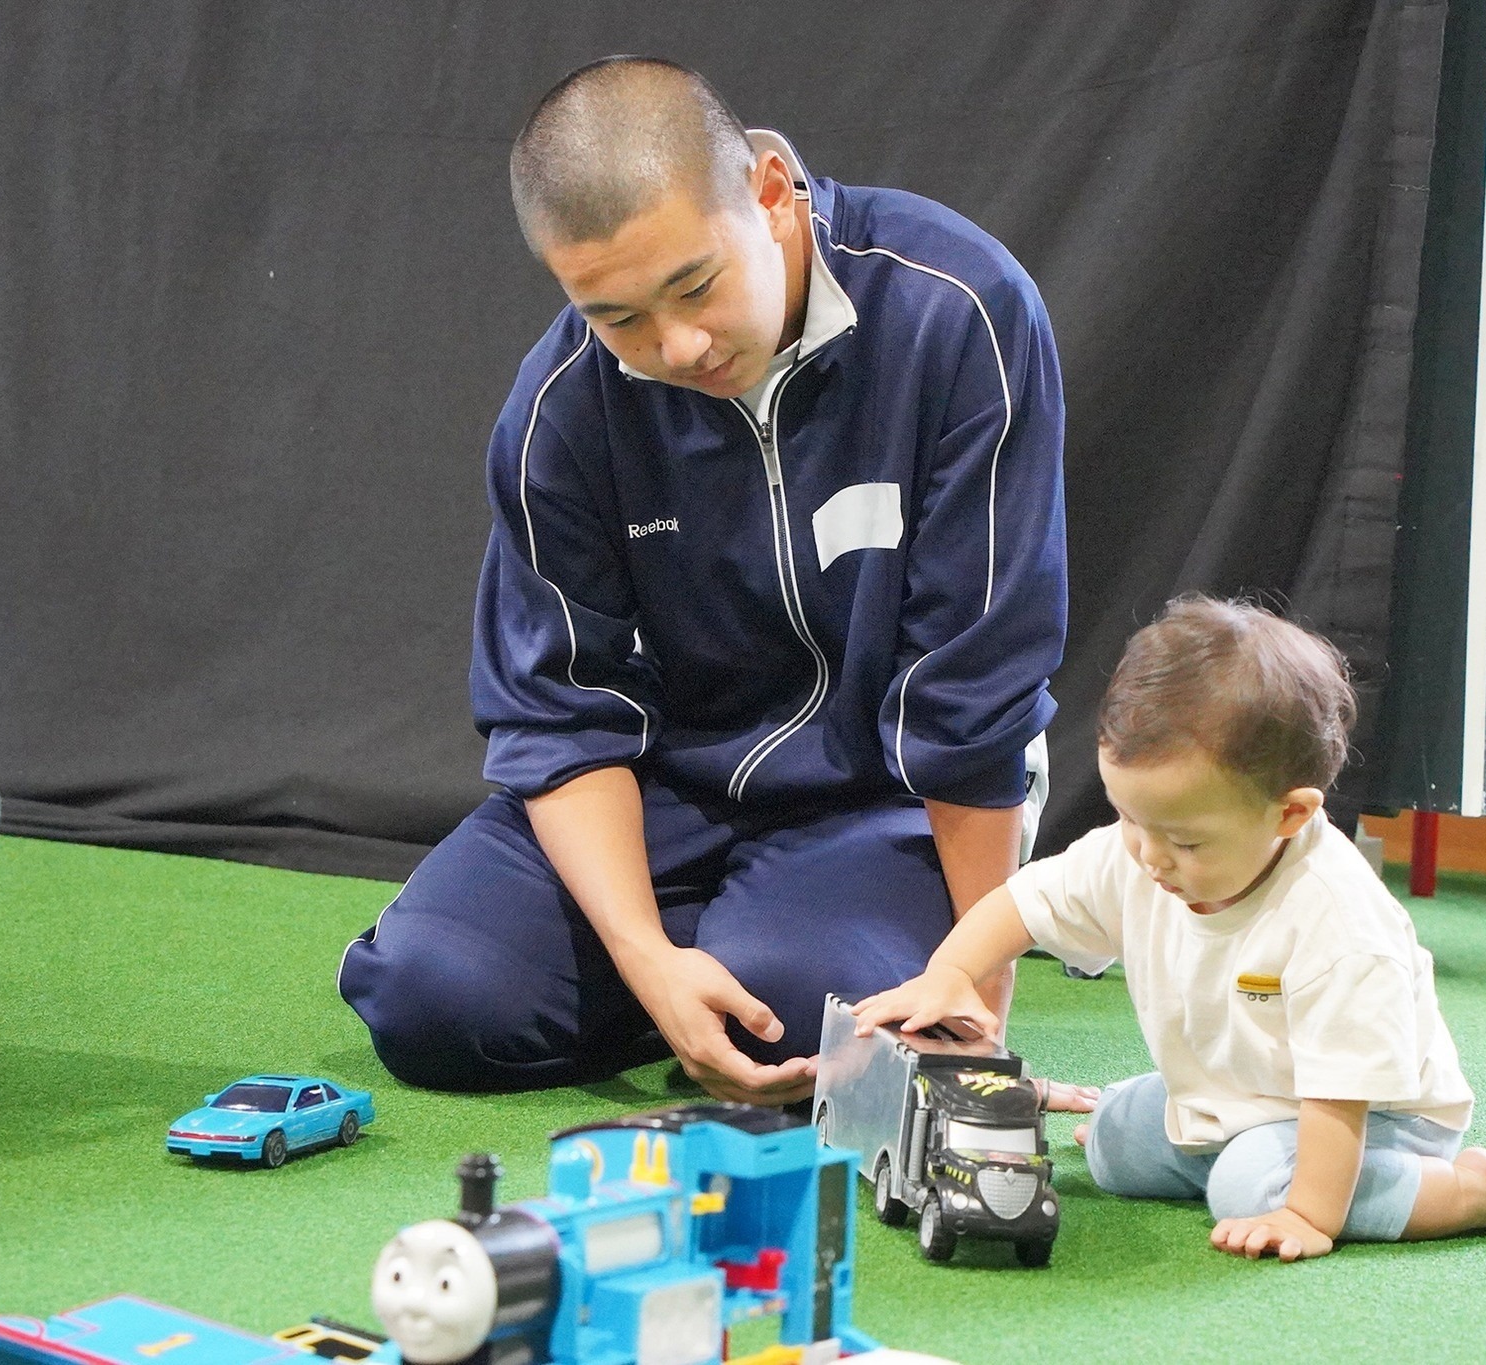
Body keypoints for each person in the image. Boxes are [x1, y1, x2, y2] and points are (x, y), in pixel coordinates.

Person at [339, 56, 1076, 1107]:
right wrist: (644, 954)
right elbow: (559, 710)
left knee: (811, 1006)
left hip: (889, 790)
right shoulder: (560, 408)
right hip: (666, 789)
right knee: (430, 999)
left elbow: (973, 691)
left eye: (694, 286)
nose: (674, 346)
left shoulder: (960, 311)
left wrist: (973, 1003)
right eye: (615, 317)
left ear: (771, 194)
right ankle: (691, 961)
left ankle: (749, 952)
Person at [853, 597, 1486, 1260]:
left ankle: (1465, 1191)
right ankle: (1225, 1152)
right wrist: (947, 973)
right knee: (1116, 1145)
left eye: (1185, 841)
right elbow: (1023, 904)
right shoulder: (1142, 853)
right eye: (1130, 819)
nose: (1151, 857)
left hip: (1374, 1115)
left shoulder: (1337, 921)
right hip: (1241, 1088)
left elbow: (1341, 1090)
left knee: (1248, 1187)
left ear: (1289, 816)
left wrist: (1307, 1214)